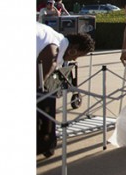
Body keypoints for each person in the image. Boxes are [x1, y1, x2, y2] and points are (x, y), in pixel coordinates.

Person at [36, 22, 95, 157]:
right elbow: (37, 85)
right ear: (72, 50)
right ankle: (45, 144)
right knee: (44, 96)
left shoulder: (51, 34)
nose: (74, 59)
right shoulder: (52, 54)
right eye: (77, 55)